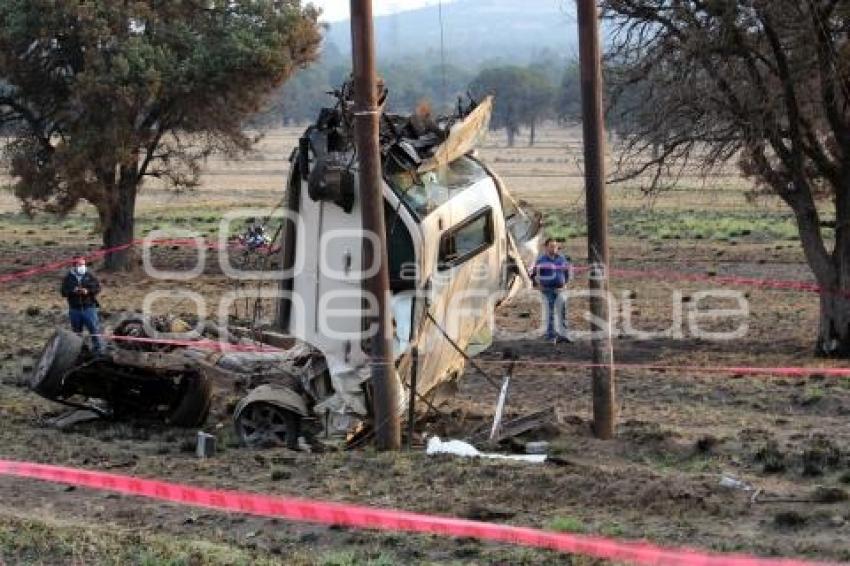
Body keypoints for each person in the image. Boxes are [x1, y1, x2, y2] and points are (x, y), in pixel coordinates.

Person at [530, 238, 572, 343]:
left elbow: (567, 272)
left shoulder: (562, 259)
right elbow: (533, 274)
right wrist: (537, 285)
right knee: (550, 313)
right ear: (546, 247)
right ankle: (551, 336)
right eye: (551, 246)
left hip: (560, 289)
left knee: (562, 312)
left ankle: (563, 335)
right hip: (547, 290)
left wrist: (565, 283)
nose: (554, 248)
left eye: (555, 246)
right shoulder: (541, 260)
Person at [60, 256, 103, 354]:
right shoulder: (68, 278)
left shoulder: (90, 275)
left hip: (89, 308)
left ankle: (99, 351)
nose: (82, 266)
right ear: (74, 265)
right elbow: (63, 292)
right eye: (80, 264)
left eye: (84, 264)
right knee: (77, 333)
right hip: (74, 310)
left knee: (95, 330)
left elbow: (98, 288)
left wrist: (87, 291)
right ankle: (80, 351)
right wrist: (73, 291)